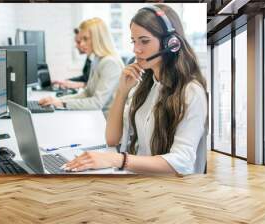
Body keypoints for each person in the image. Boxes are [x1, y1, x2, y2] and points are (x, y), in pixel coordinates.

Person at [63, 4, 208, 176]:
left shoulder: (191, 92)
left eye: (144, 41)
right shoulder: (144, 84)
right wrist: (122, 92)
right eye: (134, 41)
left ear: (171, 43)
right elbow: (112, 139)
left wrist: (117, 160)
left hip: (168, 190)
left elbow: (182, 162)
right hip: (137, 177)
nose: (136, 49)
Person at [39, 18, 124, 116]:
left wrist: (62, 104)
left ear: (98, 38)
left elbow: (97, 103)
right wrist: (57, 100)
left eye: (85, 39)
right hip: (97, 115)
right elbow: (87, 93)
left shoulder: (110, 63)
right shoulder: (97, 59)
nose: (81, 44)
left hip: (107, 120)